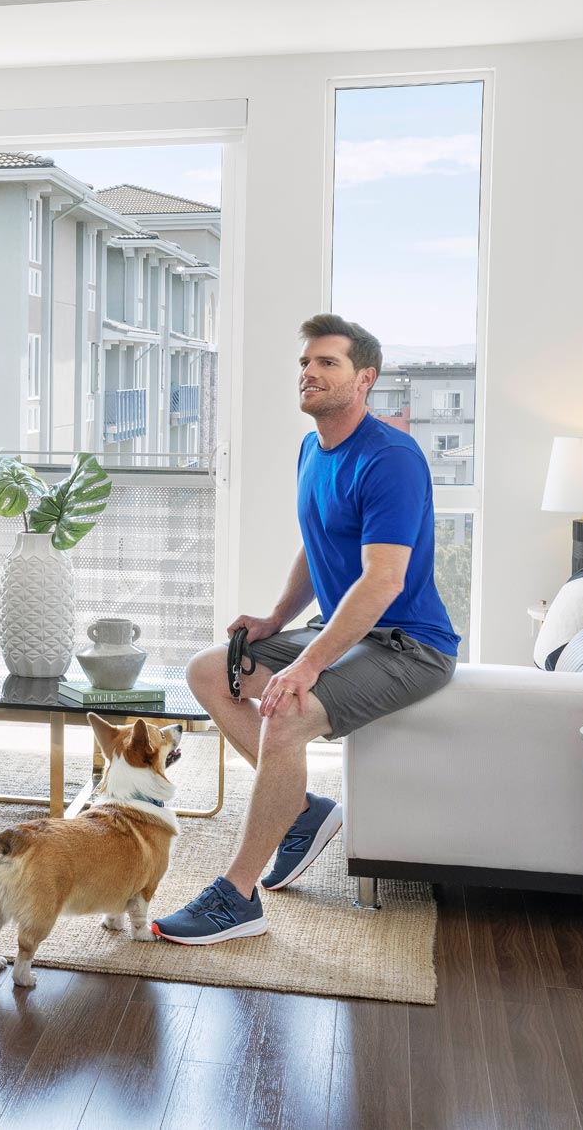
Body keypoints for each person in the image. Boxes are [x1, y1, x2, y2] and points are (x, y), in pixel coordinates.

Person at [151, 313, 458, 944]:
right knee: (212, 669)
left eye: (328, 363)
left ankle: (237, 896)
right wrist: (273, 621)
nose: (309, 373)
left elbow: (382, 580)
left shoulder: (391, 459)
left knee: (285, 712)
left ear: (364, 378)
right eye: (304, 364)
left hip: (410, 645)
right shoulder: (312, 450)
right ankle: (301, 814)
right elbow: (316, 541)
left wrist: (308, 662)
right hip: (347, 629)